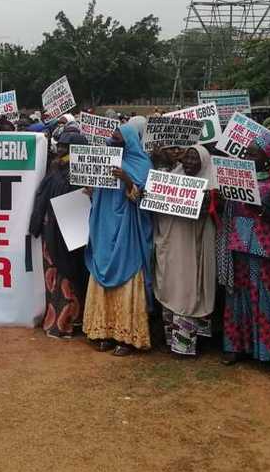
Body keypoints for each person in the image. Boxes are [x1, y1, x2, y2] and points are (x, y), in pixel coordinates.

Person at [82, 119, 154, 356]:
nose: (114, 142)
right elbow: (97, 193)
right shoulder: (104, 159)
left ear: (130, 140)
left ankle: (126, 337)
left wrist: (127, 180)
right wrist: (91, 189)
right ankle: (104, 332)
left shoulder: (142, 164)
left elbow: (144, 200)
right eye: (112, 139)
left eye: (118, 139)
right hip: (104, 226)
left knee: (128, 278)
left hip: (128, 230)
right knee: (100, 274)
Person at [222, 140, 270, 371]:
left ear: (266, 158)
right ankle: (237, 347)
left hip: (266, 247)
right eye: (247, 153)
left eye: (254, 154)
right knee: (238, 297)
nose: (248, 157)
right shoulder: (236, 177)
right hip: (239, 243)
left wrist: (264, 207)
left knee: (267, 299)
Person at [152, 143, 218, 357]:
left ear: (204, 162)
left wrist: (204, 200)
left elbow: (212, 214)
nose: (189, 163)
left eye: (194, 159)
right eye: (187, 158)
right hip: (170, 247)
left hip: (193, 251)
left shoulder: (211, 187)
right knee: (170, 287)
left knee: (187, 291)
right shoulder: (172, 179)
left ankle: (185, 345)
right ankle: (172, 340)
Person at [30, 131, 90, 339]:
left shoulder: (84, 174)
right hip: (53, 232)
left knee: (73, 276)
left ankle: (72, 321)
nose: (61, 149)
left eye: (66, 147)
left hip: (74, 234)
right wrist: (36, 225)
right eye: (61, 145)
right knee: (57, 279)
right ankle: (60, 322)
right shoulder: (56, 170)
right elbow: (42, 200)